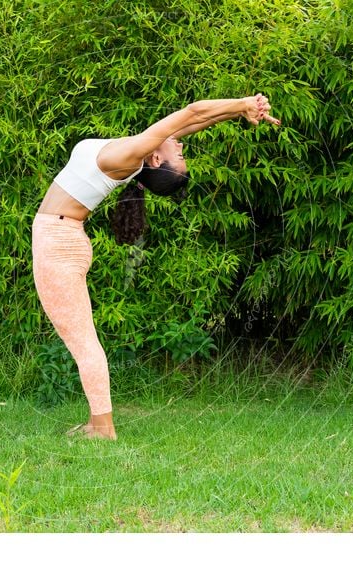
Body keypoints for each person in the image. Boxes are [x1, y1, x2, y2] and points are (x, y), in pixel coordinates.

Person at [32, 94, 281, 440]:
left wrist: (242, 104)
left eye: (178, 155)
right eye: (182, 152)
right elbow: (191, 123)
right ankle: (97, 424)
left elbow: (190, 113)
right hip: (61, 238)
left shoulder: (130, 155)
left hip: (57, 244)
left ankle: (102, 428)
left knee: (82, 341)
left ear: (155, 158)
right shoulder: (137, 151)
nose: (181, 147)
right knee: (82, 339)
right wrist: (237, 112)